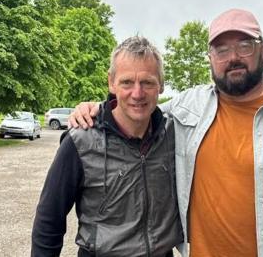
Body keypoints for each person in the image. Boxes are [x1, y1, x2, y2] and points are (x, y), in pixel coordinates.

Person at [69, 9, 263, 257]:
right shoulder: (188, 107)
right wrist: (101, 107)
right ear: (211, 59)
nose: (233, 57)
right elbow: (138, 107)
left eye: (245, 45)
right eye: (222, 50)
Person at [31, 36, 183, 257]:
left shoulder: (174, 134)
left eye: (148, 82)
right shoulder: (80, 141)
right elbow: (49, 220)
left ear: (160, 85)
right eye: (127, 82)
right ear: (111, 83)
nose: (137, 93)